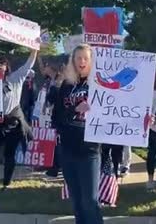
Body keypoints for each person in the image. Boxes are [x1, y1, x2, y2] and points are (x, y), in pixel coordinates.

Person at [51, 44, 103, 224]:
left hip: (89, 151)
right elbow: (56, 119)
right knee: (77, 202)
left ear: (91, 62)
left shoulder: (101, 85)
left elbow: (121, 111)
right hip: (67, 150)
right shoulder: (66, 86)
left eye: (85, 58)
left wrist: (142, 121)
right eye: (78, 57)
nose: (81, 61)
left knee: (90, 201)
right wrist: (74, 108)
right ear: (72, 61)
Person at [0, 49, 37, 188]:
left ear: (6, 66)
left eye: (2, 64)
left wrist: (34, 50)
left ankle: (6, 182)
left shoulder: (15, 78)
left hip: (12, 124)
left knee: (9, 155)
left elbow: (28, 65)